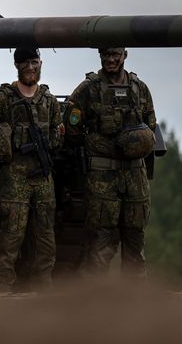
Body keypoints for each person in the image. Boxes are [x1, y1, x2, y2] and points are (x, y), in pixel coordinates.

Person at [0, 45, 63, 291]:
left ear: (40, 64)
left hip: (43, 179)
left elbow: (59, 133)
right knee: (9, 239)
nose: (30, 68)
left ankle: (41, 290)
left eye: (34, 62)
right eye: (25, 63)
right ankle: (1, 289)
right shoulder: (3, 100)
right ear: (16, 66)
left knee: (45, 240)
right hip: (14, 179)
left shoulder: (49, 102)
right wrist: (5, 140)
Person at [65, 47, 157, 277]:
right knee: (101, 240)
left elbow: (150, 125)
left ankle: (135, 298)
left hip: (135, 175)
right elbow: (72, 129)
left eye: (115, 54)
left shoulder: (140, 88)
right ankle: (97, 299)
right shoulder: (88, 89)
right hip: (102, 177)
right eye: (106, 55)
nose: (111, 60)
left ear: (125, 54)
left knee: (135, 236)